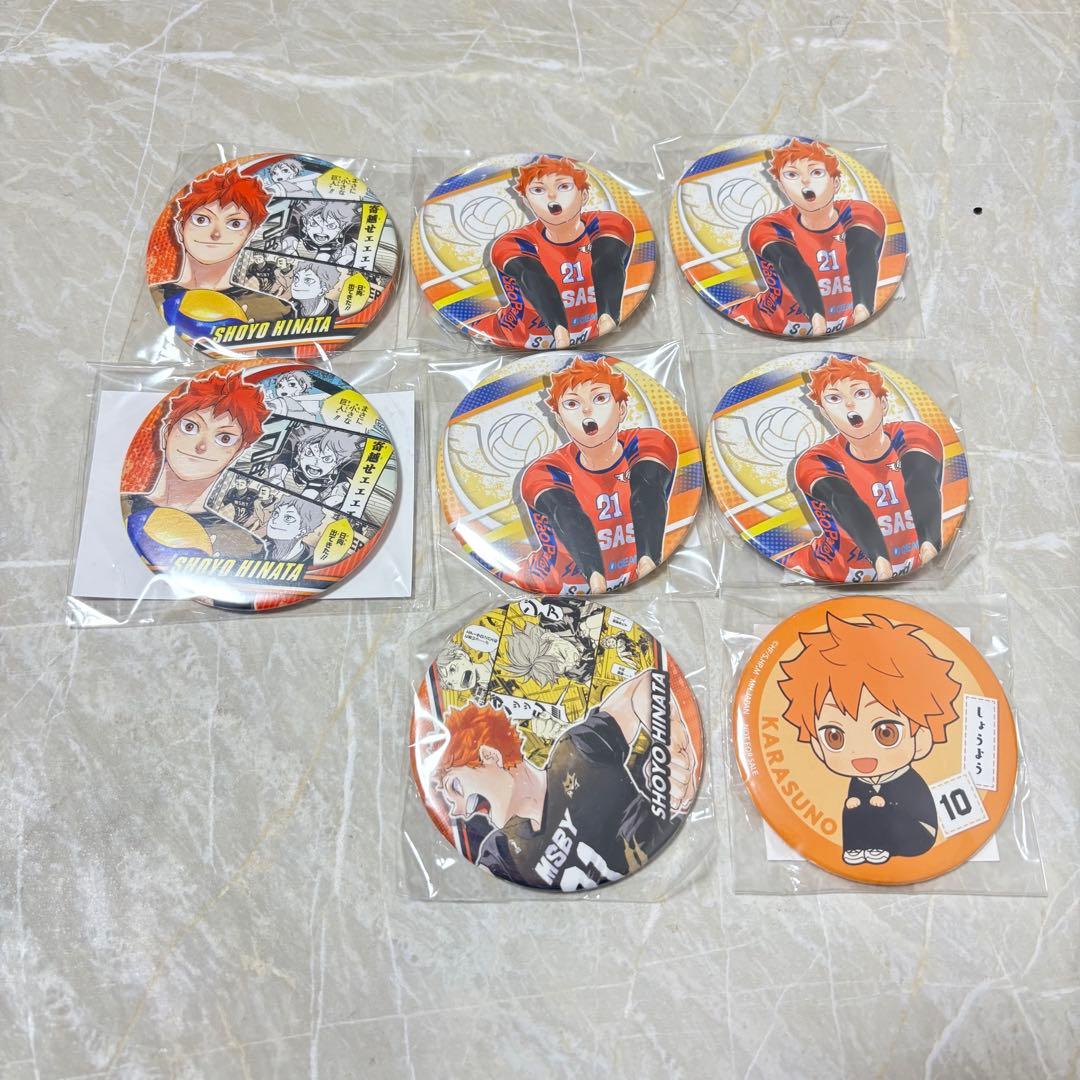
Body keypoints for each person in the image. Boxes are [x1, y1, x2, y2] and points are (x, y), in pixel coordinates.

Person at [429, 668, 698, 890]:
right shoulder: (500, 853)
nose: (459, 811)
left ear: (489, 756)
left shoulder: (574, 755)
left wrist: (670, 744)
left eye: (456, 786)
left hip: (676, 874)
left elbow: (645, 685)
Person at [777, 611, 961, 866]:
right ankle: (855, 849)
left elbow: (918, 811)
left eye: (886, 732)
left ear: (922, 737)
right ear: (817, 746)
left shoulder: (910, 781)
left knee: (878, 806)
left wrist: (883, 804)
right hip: (875, 836)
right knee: (852, 806)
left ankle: (879, 847)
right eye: (834, 736)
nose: (860, 754)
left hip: (916, 835)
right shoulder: (859, 780)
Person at [517, 358, 677, 593]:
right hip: (550, 586)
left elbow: (647, 488)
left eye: (600, 398)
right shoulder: (544, 470)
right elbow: (566, 512)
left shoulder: (649, 441)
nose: (586, 410)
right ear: (560, 420)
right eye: (572, 403)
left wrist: (647, 560)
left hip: (638, 576)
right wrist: (595, 577)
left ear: (621, 409)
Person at [782, 355, 944, 583]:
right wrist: (880, 560)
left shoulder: (913, 433)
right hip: (822, 572)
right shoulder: (817, 459)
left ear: (883, 403)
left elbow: (920, 479)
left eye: (860, 393)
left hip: (912, 564)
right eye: (834, 398)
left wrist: (928, 544)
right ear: (826, 413)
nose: (849, 405)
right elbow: (842, 499)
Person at [469, 156, 635, 348]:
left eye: (563, 186)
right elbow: (531, 275)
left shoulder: (608, 223)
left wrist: (607, 317)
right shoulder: (513, 242)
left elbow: (608, 260)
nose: (551, 196)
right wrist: (559, 329)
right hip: (504, 338)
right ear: (527, 201)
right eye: (538, 190)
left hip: (586, 338)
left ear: (583, 195)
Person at [728, 139, 886, 337]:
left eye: (816, 172)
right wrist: (817, 317)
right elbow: (789, 262)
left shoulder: (860, 211)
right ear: (782, 187)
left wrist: (862, 309)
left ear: (835, 182)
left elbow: (862, 249)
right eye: (792, 175)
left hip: (843, 324)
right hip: (760, 324)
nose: (805, 181)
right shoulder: (769, 226)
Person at [122, 369, 269, 563]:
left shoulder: (244, 545)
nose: (201, 446)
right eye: (190, 427)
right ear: (166, 433)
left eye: (224, 438)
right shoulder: (122, 507)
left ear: (238, 452)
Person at [149, 166, 290, 329]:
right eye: (201, 220)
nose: (216, 234)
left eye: (235, 224)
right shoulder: (155, 297)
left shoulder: (271, 309)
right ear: (180, 229)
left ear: (250, 234)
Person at [266, 427, 362, 508]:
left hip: (322, 483)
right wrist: (277, 476)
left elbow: (343, 486)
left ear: (337, 463)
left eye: (326, 459)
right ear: (300, 450)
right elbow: (284, 454)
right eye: (310, 453)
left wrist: (334, 498)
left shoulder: (341, 469)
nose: (316, 462)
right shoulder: (295, 447)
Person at [262, 495, 324, 562]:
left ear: (301, 532)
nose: (275, 520)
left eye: (288, 518)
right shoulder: (263, 547)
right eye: (276, 514)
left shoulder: (314, 559)